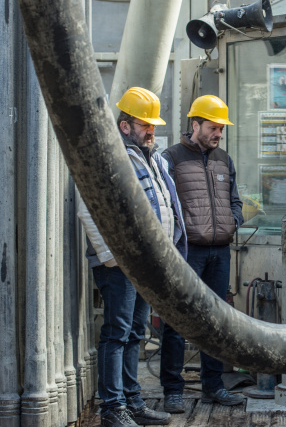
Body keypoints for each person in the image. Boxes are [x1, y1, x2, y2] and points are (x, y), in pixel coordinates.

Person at [78, 87, 187, 427]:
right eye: (145, 125)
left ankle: (133, 402)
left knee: (136, 332)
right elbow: (88, 207)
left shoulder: (153, 158)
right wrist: (113, 257)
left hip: (146, 265)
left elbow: (165, 206)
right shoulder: (108, 157)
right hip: (120, 266)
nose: (151, 130)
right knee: (117, 332)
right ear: (125, 126)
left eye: (153, 125)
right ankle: (113, 408)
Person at [160, 95, 245, 411]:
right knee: (176, 320)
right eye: (213, 127)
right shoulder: (171, 158)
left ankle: (214, 386)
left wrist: (233, 221)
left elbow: (235, 200)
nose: (218, 134)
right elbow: (164, 205)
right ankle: (173, 390)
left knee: (215, 321)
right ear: (195, 124)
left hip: (220, 252)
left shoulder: (224, 160)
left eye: (221, 129)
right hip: (187, 252)